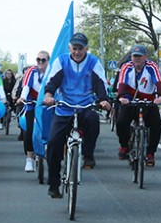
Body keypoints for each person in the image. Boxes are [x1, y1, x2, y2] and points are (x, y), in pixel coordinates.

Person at [42, 32, 111, 198]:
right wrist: (49, 95)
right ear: (69, 48)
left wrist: (103, 100)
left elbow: (101, 83)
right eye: (74, 48)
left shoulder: (93, 62)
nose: (77, 51)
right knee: (53, 143)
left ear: (86, 48)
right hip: (64, 106)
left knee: (93, 120)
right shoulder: (62, 61)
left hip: (85, 104)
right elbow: (52, 81)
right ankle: (54, 184)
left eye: (81, 48)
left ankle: (88, 155)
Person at [115, 45, 161, 166]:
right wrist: (121, 97)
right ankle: (124, 146)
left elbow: (158, 81)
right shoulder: (126, 67)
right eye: (134, 56)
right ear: (131, 57)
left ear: (145, 57)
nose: (137, 58)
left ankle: (150, 153)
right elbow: (122, 82)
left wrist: (160, 96)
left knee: (156, 124)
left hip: (148, 102)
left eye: (139, 56)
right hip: (130, 101)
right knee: (121, 122)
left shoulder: (152, 66)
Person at [17, 50, 50, 172]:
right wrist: (23, 97)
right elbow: (26, 86)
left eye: (43, 60)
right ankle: (29, 159)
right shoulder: (31, 71)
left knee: (53, 129)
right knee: (29, 130)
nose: (40, 62)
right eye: (38, 60)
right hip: (32, 104)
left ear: (48, 61)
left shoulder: (52, 71)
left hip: (47, 106)